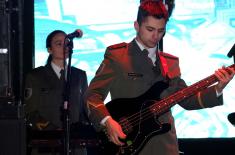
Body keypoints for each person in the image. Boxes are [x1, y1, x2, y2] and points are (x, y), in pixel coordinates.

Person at [84, 1, 235, 155]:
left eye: (161, 31)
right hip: (131, 145)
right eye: (150, 29)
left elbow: (186, 99)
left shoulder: (171, 62)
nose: (155, 36)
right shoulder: (118, 56)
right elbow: (92, 95)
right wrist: (107, 122)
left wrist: (218, 88)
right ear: (136, 25)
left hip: (166, 146)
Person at [24, 30, 90, 155]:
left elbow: (85, 109)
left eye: (67, 43)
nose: (64, 47)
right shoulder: (36, 76)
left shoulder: (80, 75)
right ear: (49, 50)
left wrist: (83, 129)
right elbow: (30, 113)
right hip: (47, 145)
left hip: (76, 146)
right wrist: (54, 131)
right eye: (59, 44)